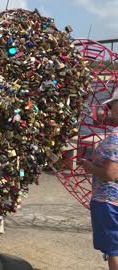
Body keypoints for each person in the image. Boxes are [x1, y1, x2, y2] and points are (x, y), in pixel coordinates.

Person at [80, 91, 118, 270]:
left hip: (109, 203)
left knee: (115, 251)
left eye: (111, 106)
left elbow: (110, 175)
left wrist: (88, 166)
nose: (109, 110)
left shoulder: (115, 139)